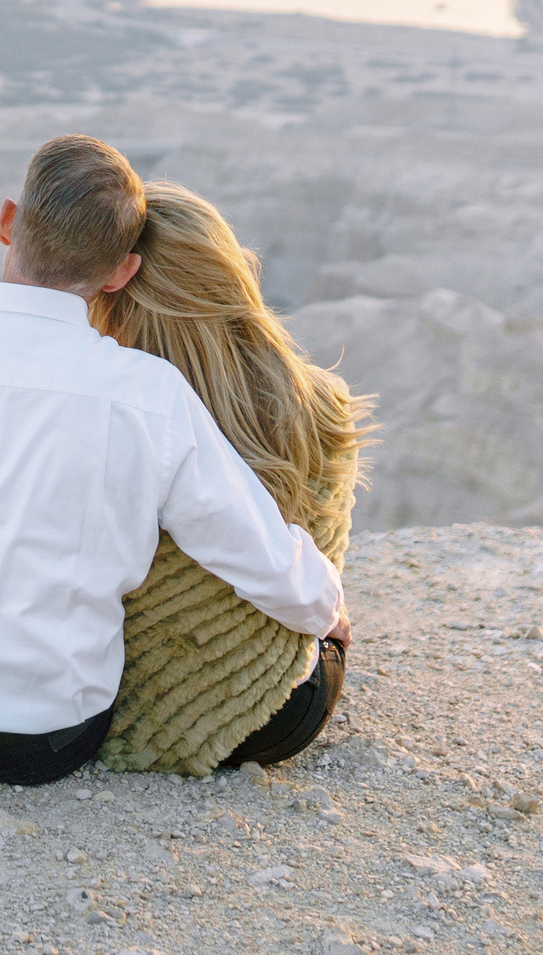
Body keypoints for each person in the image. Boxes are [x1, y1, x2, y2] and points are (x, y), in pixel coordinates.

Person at [0, 134, 346, 786]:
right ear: (120, 273)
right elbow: (259, 556)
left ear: (7, 222)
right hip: (50, 741)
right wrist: (327, 613)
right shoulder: (151, 396)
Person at [89, 181, 370, 770]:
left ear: (114, 290)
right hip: (277, 710)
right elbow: (322, 557)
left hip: (101, 707)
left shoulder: (106, 407)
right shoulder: (316, 404)